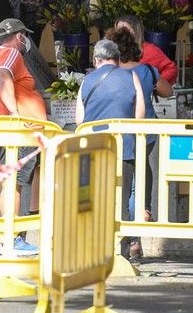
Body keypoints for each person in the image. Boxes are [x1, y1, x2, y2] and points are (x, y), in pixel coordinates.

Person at [75, 39, 146, 259]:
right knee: (122, 200)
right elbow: (140, 114)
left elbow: (79, 119)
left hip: (92, 149)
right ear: (117, 59)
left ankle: (92, 250)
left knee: (93, 200)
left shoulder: (87, 80)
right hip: (123, 147)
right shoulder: (131, 76)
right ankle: (122, 252)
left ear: (97, 60)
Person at [109, 27, 173, 258]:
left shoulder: (109, 73)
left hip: (115, 134)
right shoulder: (147, 71)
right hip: (145, 132)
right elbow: (168, 91)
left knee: (120, 185)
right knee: (139, 180)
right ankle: (135, 237)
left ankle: (124, 238)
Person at [0, 18, 47, 256]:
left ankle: (8, 236)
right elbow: (3, 75)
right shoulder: (12, 54)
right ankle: (12, 237)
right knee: (16, 182)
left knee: (13, 182)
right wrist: (15, 114)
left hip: (11, 128)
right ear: (20, 37)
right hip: (19, 131)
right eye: (25, 37)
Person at [115, 15, 178, 84]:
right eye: (118, 30)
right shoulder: (112, 51)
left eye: (125, 30)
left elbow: (171, 69)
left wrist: (155, 85)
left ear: (136, 31)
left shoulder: (150, 50)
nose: (121, 34)